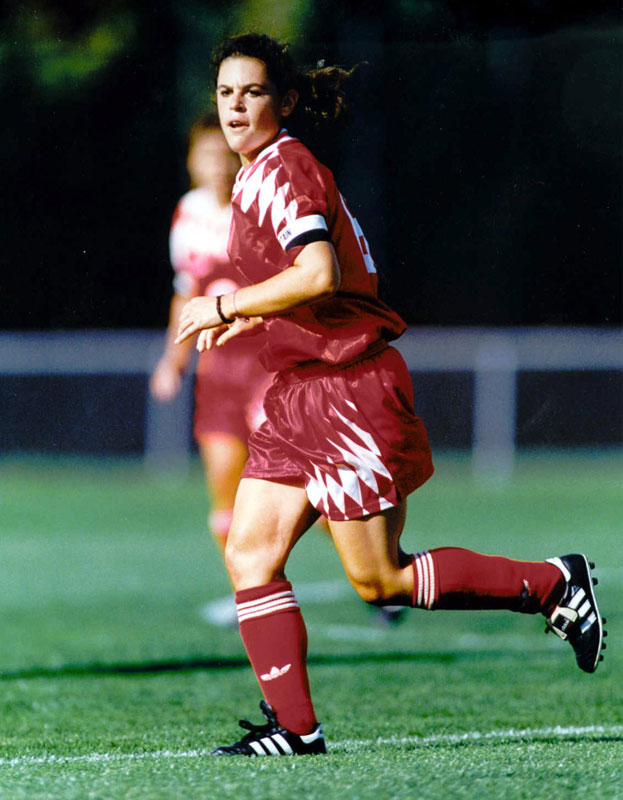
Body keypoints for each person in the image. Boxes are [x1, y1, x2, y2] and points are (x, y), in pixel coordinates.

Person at [174, 33, 606, 757]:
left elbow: (317, 273)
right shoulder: (254, 176)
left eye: (253, 92)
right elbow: (312, 285)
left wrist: (226, 304)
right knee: (249, 553)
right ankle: (295, 729)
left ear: (285, 100)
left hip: (346, 390)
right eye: (225, 93)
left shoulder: (283, 169)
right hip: (300, 391)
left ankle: (552, 585)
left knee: (380, 579)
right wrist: (251, 316)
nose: (236, 106)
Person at [150, 115, 270, 555]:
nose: (217, 165)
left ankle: (370, 568)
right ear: (191, 161)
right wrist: (173, 360)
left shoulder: (260, 205)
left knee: (302, 496)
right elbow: (186, 292)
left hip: (270, 366)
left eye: (224, 155)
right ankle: (251, 596)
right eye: (206, 155)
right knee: (225, 506)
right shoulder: (189, 212)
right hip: (218, 370)